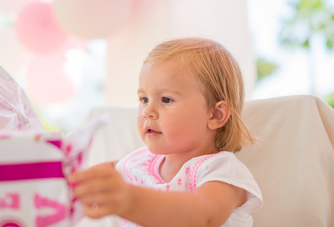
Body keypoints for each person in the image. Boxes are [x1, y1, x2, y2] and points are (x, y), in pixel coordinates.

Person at [70, 37, 263, 227]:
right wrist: (74, 181)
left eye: (166, 99)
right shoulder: (139, 161)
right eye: (144, 99)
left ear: (215, 114)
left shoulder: (220, 170)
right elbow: (109, 171)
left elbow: (204, 217)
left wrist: (130, 200)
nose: (147, 112)